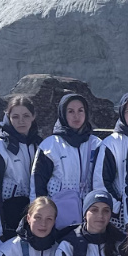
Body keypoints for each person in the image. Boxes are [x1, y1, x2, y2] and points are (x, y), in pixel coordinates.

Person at [34, 93, 103, 229]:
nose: (76, 116)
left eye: (80, 110)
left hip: (89, 216)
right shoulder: (50, 146)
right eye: (70, 111)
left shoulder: (97, 144)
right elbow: (37, 185)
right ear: (63, 114)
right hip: (57, 216)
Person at [0, 95, 39, 239]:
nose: (21, 121)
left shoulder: (38, 145)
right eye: (15, 117)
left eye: (26, 116)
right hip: (8, 219)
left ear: (33, 116)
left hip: (33, 218)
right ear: (8, 117)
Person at [93, 91, 128, 225]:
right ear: (122, 113)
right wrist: (118, 207)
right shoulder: (111, 143)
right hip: (121, 215)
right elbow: (101, 181)